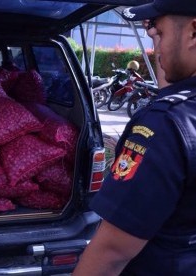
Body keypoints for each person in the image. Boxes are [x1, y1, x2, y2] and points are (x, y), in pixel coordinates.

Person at [73, 0, 196, 275]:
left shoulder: (163, 125)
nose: (156, 44)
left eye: (159, 33)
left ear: (194, 32)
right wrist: (166, 37)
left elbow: (112, 252)